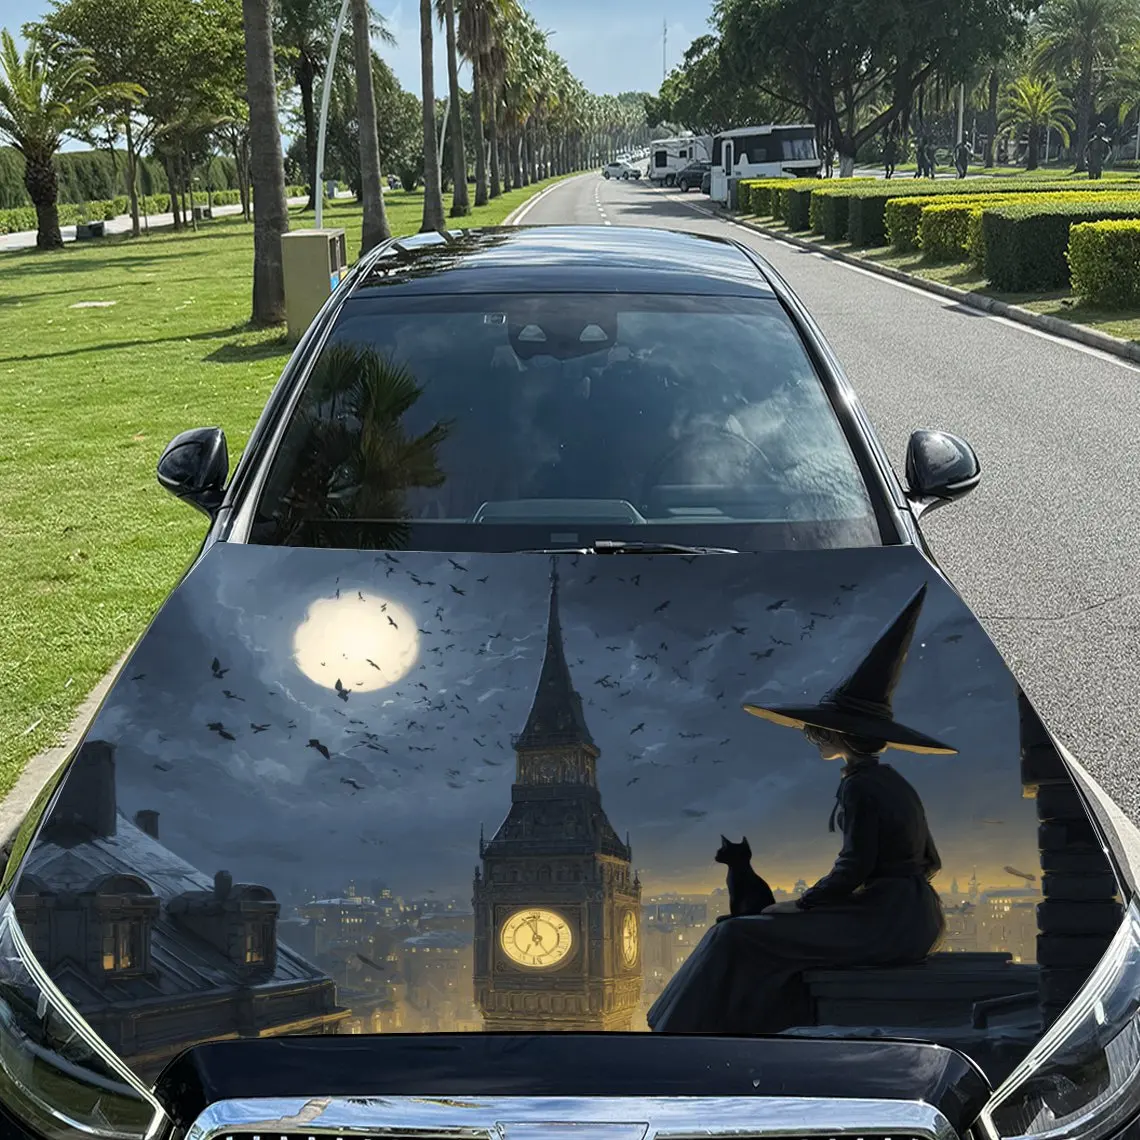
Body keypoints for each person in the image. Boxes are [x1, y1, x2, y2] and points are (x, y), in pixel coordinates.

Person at [646, 585, 954, 1036]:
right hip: (913, 918)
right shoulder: (890, 782)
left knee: (733, 934)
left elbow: (853, 867)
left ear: (844, 736)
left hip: (884, 923)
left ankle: (678, 1036)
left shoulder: (861, 787)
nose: (813, 737)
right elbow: (930, 861)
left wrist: (803, 905)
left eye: (819, 731)